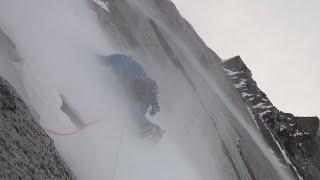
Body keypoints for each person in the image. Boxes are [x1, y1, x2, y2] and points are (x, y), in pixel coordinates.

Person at [100, 54, 164, 142]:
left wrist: (154, 102)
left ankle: (150, 130)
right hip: (138, 91)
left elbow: (151, 86)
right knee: (135, 114)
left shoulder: (128, 68)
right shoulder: (122, 64)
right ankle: (150, 130)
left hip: (139, 93)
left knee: (134, 113)